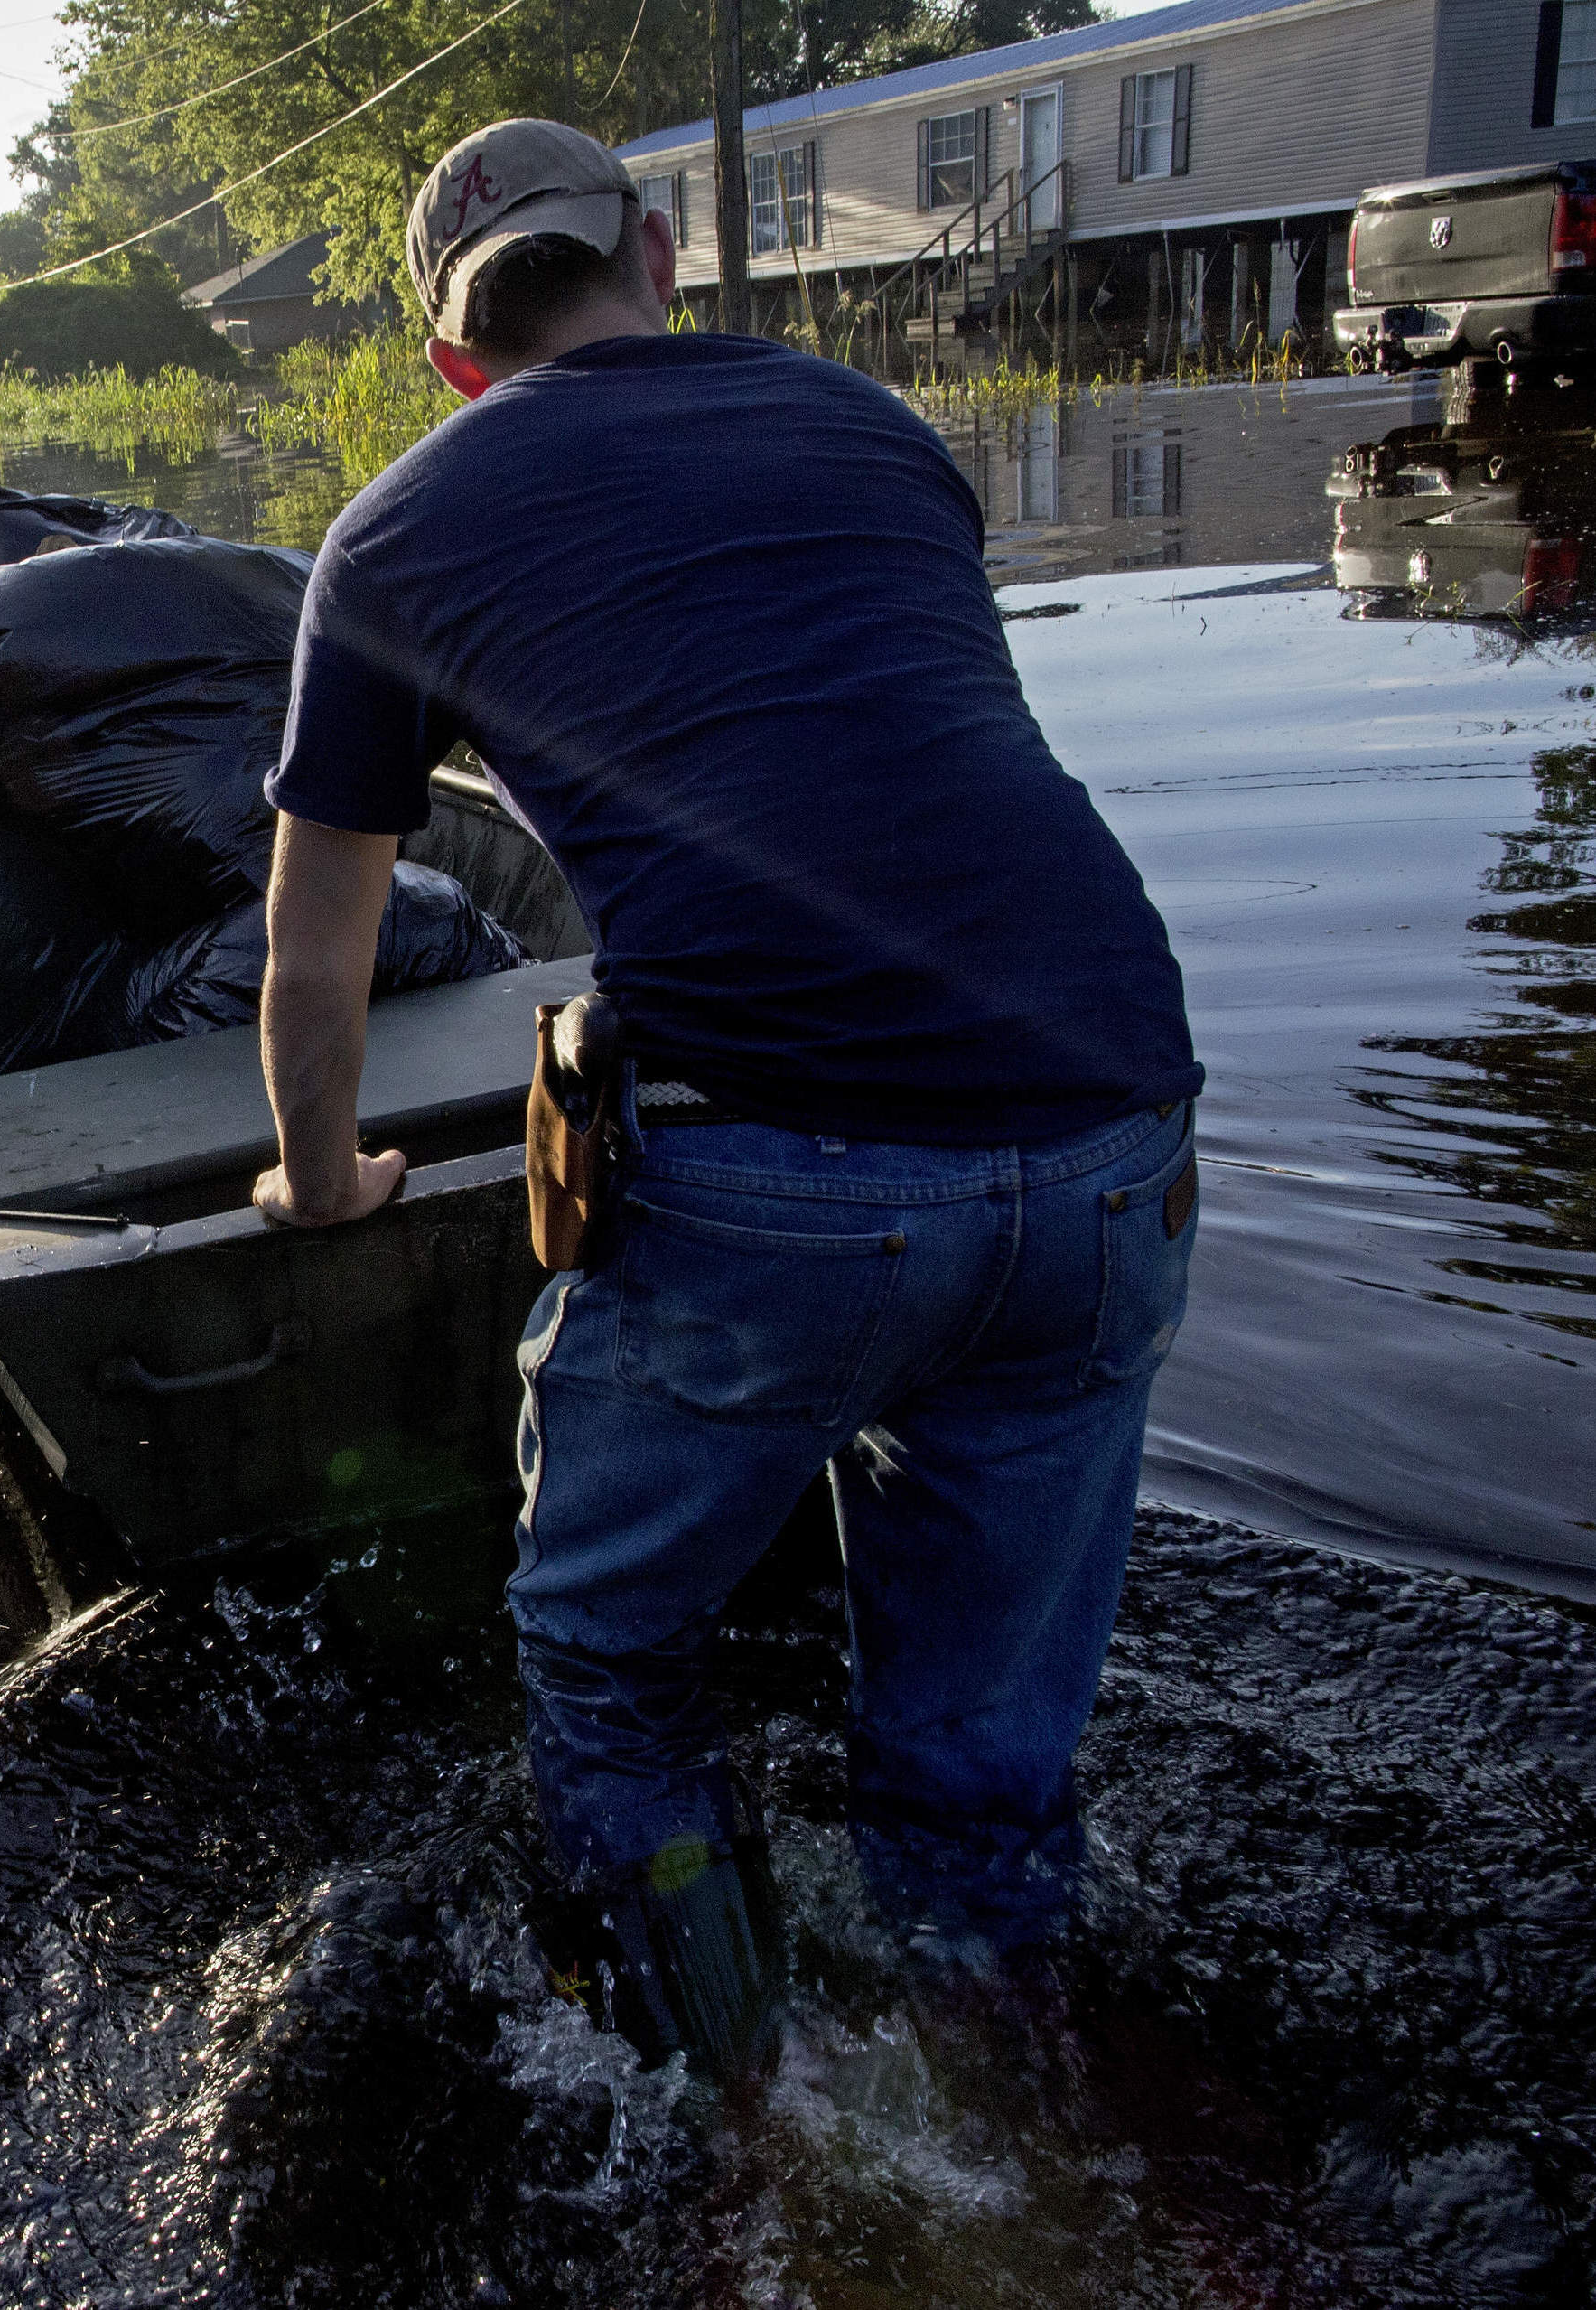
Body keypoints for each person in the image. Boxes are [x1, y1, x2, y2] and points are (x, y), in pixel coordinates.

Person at [248, 119, 1202, 2076]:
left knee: (606, 1658)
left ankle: (736, 2121)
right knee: (975, 1755)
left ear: (446, 353)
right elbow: (879, 746)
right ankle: (999, 2121)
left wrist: (325, 1168)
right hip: (1116, 1123)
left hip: (780, 1181)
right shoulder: (872, 430)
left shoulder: (401, 526)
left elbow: (311, 948)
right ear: (662, 255)